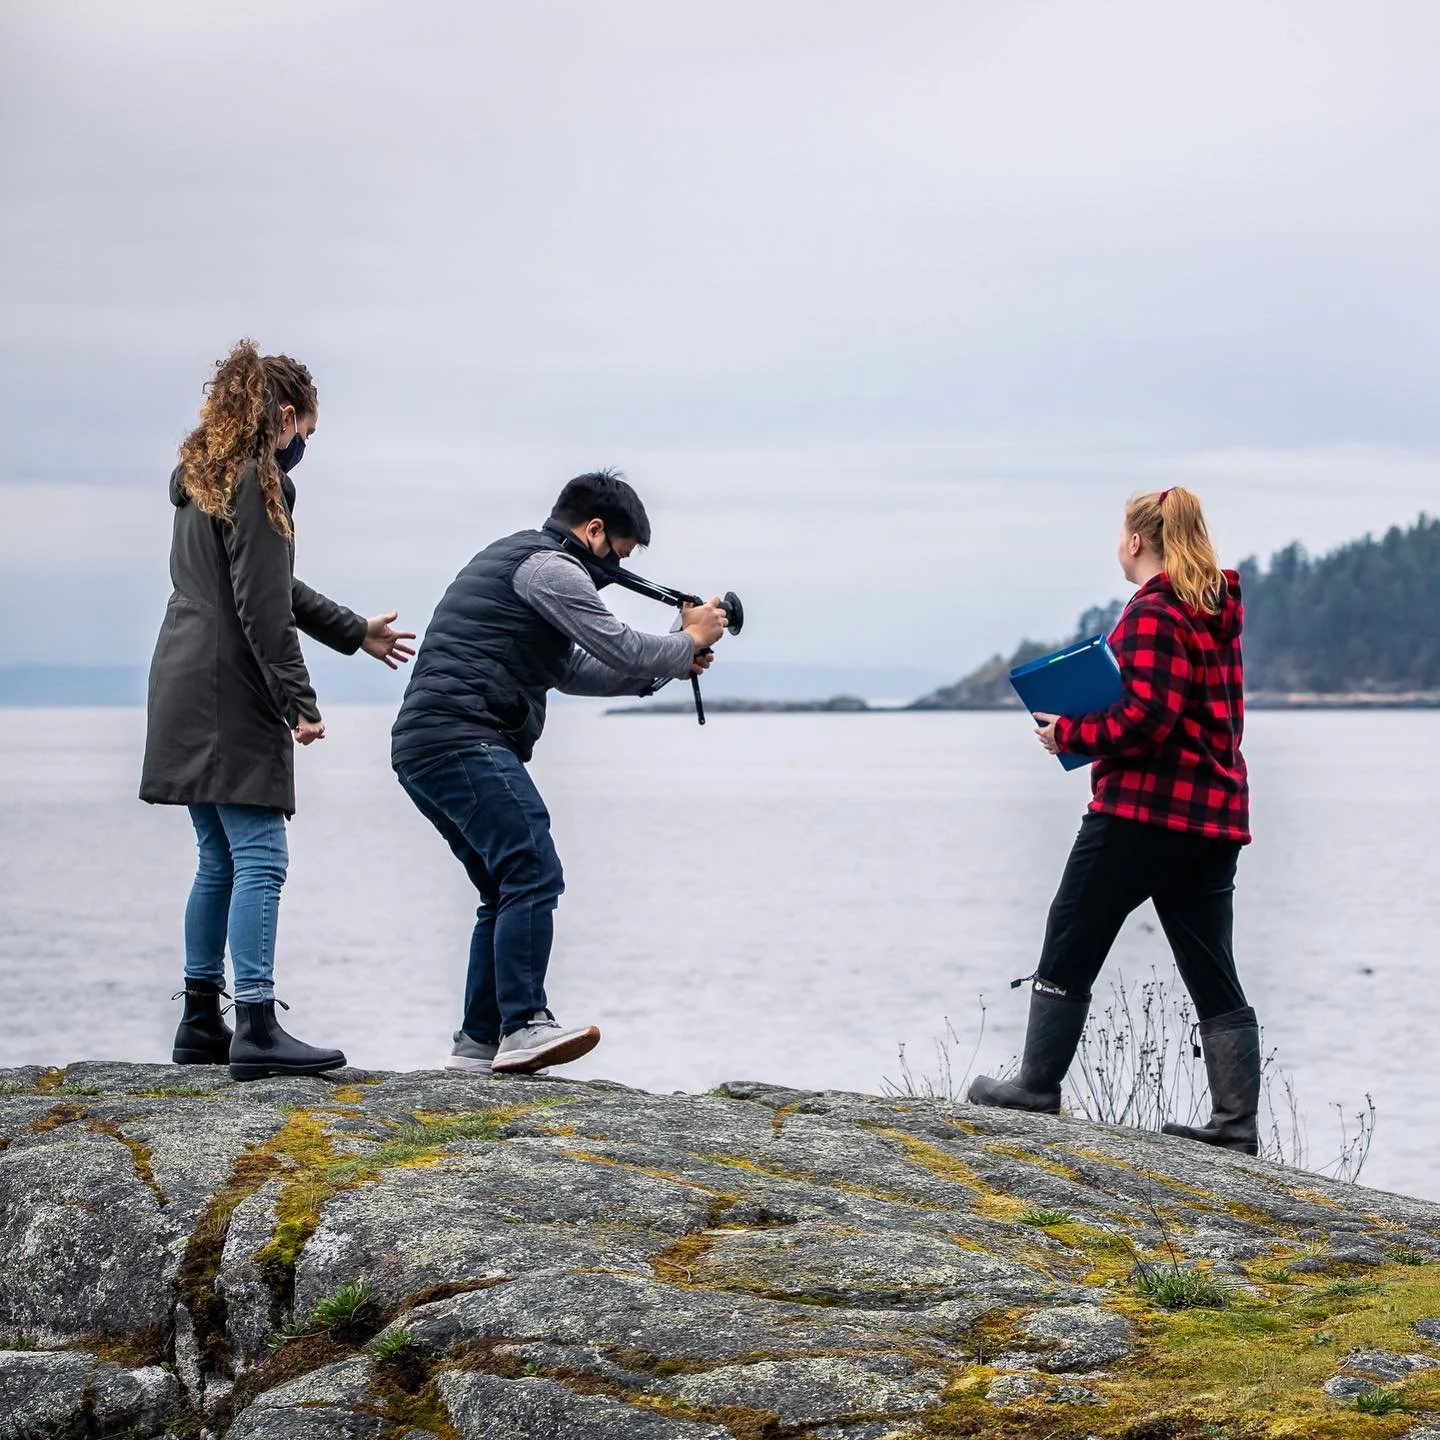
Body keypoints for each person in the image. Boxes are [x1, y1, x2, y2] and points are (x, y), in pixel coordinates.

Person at [392, 470, 729, 1076]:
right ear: (594, 530)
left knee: (503, 885)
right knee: (531, 867)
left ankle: (477, 1044)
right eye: (619, 556)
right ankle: (524, 1025)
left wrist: (674, 661)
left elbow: (576, 669)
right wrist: (685, 640)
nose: (614, 573)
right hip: (462, 736)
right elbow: (621, 646)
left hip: (426, 744)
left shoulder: (523, 561)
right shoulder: (549, 567)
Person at [140, 340, 415, 1080]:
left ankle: (202, 1020)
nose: (304, 450)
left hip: (180, 675)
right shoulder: (261, 483)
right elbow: (262, 607)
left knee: (217, 857)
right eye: (308, 434)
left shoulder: (199, 477)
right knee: (261, 855)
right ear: (285, 417)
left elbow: (274, 584)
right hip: (230, 686)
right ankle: (256, 1025)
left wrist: (355, 631)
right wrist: (301, 702)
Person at [968, 487, 1261, 1154]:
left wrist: (1068, 731)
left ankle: (1036, 1087)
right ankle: (1236, 1125)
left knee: (1072, 931)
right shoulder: (1212, 610)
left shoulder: (1155, 612)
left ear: (1135, 541)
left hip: (1144, 811)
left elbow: (1148, 718)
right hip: (1214, 815)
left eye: (1120, 535)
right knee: (1211, 962)